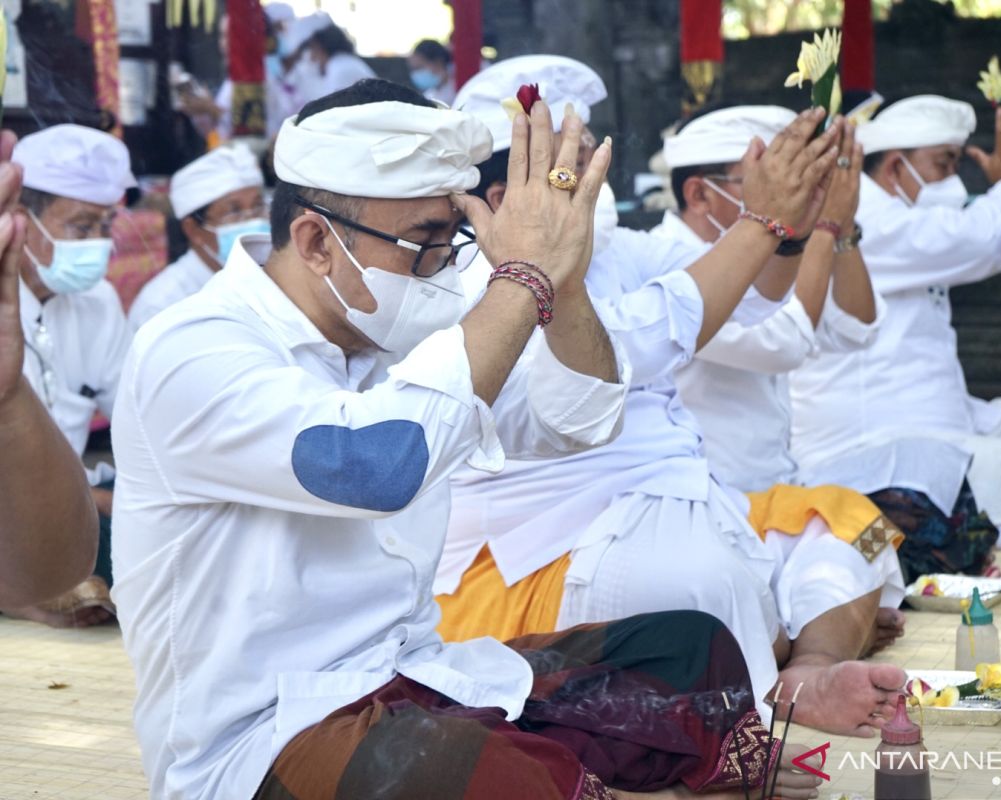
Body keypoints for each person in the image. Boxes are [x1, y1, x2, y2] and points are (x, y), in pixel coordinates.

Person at [111, 78, 817, 800]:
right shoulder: (193, 348)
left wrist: (562, 282)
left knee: (685, 650)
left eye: (455, 237)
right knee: (466, 768)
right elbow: (372, 466)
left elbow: (577, 415)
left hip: (417, 682)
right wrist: (523, 277)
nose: (448, 265)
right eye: (424, 240)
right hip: (267, 734)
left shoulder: (402, 327)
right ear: (316, 241)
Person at [437, 56, 906, 740]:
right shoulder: (471, 286)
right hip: (555, 546)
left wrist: (790, 230)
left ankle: (810, 664)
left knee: (859, 527)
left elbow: (753, 301)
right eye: (569, 170)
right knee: (699, 586)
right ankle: (771, 655)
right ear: (507, 194)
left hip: (697, 499)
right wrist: (762, 225)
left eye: (588, 160)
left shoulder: (624, 250)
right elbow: (626, 352)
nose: (592, 184)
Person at [788, 95, 1001, 570]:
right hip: (875, 440)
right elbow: (976, 239)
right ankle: (882, 570)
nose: (951, 179)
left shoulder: (890, 217)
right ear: (893, 167)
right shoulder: (864, 221)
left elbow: (992, 248)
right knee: (933, 519)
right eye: (942, 163)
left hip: (938, 420)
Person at [660, 104, 907, 656]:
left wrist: (839, 233)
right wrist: (818, 225)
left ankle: (832, 625)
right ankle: (824, 646)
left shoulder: (772, 256)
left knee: (874, 536)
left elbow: (857, 328)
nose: (791, 190)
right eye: (770, 178)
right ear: (701, 194)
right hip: (717, 510)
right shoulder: (674, 263)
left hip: (783, 499)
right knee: (850, 538)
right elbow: (781, 342)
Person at [0, 124, 134, 628]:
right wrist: (98, 501)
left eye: (105, 226)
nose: (99, 243)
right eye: (81, 227)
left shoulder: (96, 302)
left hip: (72, 497)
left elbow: (140, 417)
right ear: (20, 221)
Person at [129, 143, 266, 330]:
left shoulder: (266, 280)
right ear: (193, 229)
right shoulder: (163, 305)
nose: (252, 220)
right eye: (234, 211)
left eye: (258, 206)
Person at [306, 22, 376, 99]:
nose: (311, 57)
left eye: (313, 48)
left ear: (321, 47)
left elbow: (331, 106)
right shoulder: (343, 62)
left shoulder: (339, 69)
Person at [410, 38, 456, 106]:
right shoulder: (428, 96)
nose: (416, 73)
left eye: (419, 67)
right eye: (413, 69)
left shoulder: (459, 89)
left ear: (438, 62)